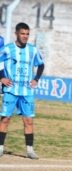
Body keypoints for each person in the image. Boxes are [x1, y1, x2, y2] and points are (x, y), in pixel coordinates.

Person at [0, 22, 45, 159]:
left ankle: (30, 150)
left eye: (27, 34)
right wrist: (2, 78)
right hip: (10, 90)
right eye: (22, 34)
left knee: (28, 121)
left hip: (27, 91)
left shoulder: (33, 50)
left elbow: (41, 65)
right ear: (17, 34)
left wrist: (36, 79)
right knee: (5, 119)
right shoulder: (7, 49)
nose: (25, 36)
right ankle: (0, 148)